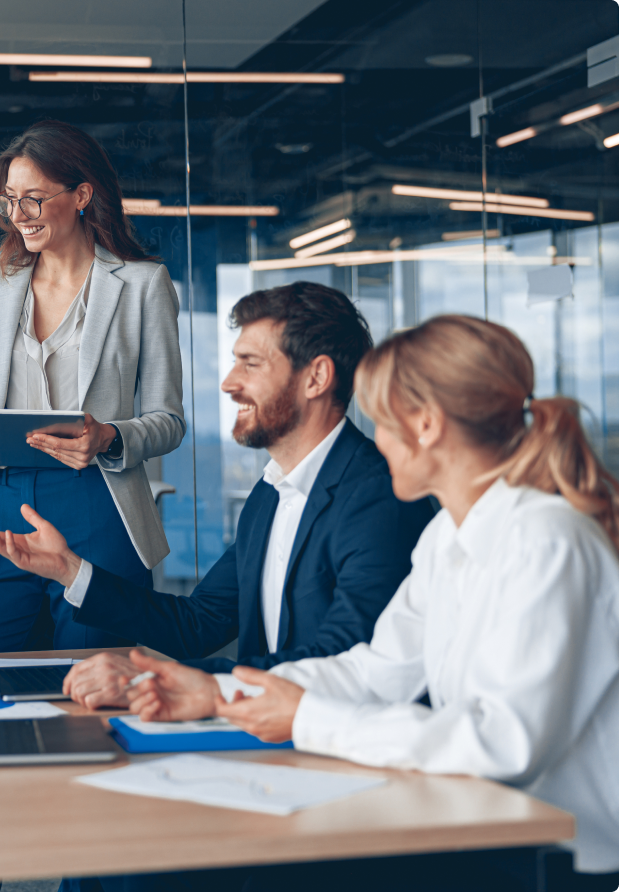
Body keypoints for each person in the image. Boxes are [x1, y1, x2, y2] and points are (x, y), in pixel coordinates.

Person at [126, 315, 619, 890]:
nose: (375, 441)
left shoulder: (546, 539)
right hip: (484, 827)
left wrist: (306, 717)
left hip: (556, 857)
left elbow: (501, 743)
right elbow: (379, 669)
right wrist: (220, 692)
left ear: (428, 426)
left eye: (382, 422)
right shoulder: (448, 537)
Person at [0, 282, 434, 707]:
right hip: (264, 737)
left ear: (316, 378)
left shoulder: (381, 498)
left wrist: (158, 682)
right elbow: (197, 625)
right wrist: (68, 569)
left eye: (250, 364)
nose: (229, 383)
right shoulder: (271, 494)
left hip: (336, 752)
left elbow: (341, 660)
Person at [0, 119, 185, 655]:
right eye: (8, 201)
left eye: (33, 199)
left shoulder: (143, 285)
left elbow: (168, 420)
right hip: (2, 499)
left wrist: (110, 437)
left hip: (99, 498)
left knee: (95, 675)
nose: (18, 216)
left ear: (81, 195)